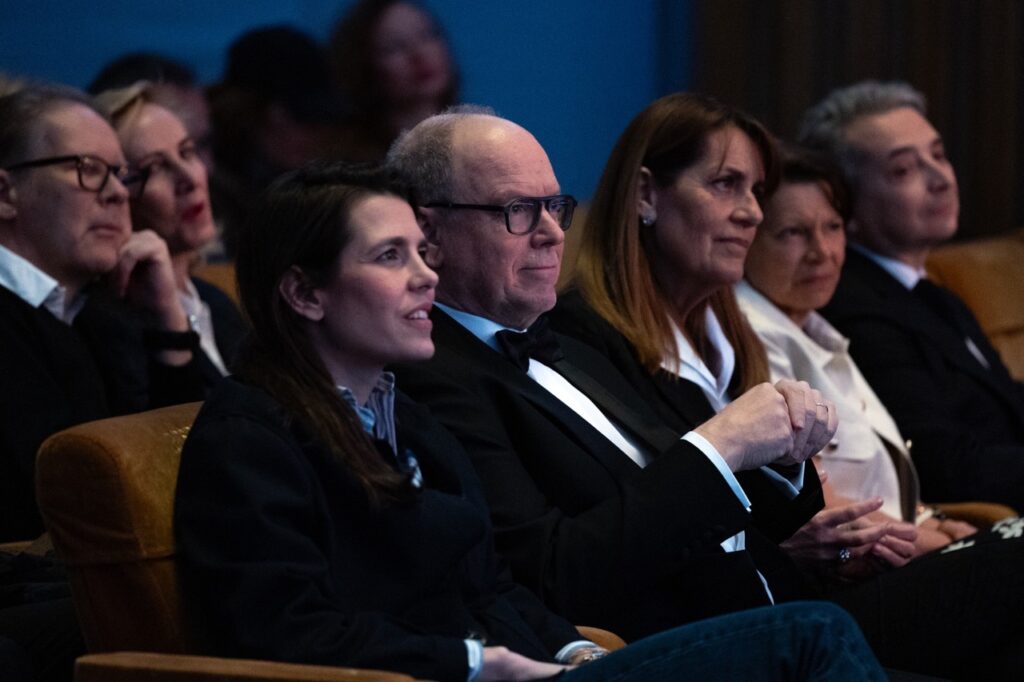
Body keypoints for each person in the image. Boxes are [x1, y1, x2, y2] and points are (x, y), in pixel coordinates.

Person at [173, 159, 884, 682]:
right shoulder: (249, 436)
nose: (425, 275)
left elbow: (489, 584)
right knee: (812, 635)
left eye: (420, 251)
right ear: (304, 293)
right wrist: (478, 663)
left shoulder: (404, 416)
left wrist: (574, 650)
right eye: (391, 256)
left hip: (543, 665)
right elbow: (283, 634)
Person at [549, 91, 1024, 678]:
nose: (751, 212)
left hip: (811, 594)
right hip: (736, 631)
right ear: (646, 194)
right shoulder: (582, 343)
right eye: (726, 184)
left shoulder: (729, 338)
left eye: (755, 191)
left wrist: (826, 544)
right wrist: (786, 545)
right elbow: (627, 538)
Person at [387, 106, 840, 643]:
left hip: (776, 611)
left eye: (555, 207)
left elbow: (708, 506)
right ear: (429, 232)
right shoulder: (429, 378)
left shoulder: (570, 349)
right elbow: (555, 574)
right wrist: (724, 442)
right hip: (672, 648)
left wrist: (784, 450)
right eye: (518, 210)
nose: (552, 233)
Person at [0, 83, 203, 682]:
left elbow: (193, 464)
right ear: (6, 193)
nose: (117, 193)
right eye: (88, 170)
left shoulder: (98, 314)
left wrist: (167, 321)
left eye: (120, 174)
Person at [738, 146, 978, 551]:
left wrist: (932, 519)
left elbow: (876, 483)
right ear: (746, 238)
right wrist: (939, 544)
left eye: (833, 227)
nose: (822, 252)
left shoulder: (815, 326)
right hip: (862, 565)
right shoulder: (749, 337)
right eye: (793, 233)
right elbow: (815, 501)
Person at [798, 80, 1024, 510]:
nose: (940, 179)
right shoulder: (854, 308)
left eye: (938, 155)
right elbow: (942, 464)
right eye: (903, 170)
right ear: (845, 205)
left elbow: (1007, 401)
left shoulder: (928, 290)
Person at [96, 82, 246, 386]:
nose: (189, 178)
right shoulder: (110, 327)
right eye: (155, 167)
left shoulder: (215, 302)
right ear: (115, 194)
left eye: (187, 152)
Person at [207, 25, 347, 256]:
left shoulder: (324, 182)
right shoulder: (207, 193)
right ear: (246, 112)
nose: (317, 133)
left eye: (321, 118)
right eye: (301, 116)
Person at [329, 0, 458, 161]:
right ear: (364, 66)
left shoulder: (477, 138)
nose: (419, 54)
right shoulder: (356, 165)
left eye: (427, 35)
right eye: (394, 47)